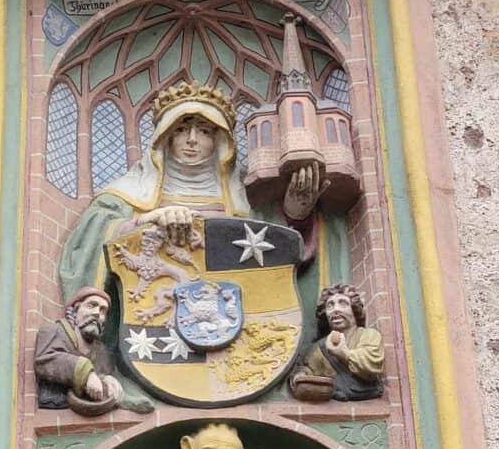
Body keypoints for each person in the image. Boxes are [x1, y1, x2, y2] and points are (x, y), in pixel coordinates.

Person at [58, 81, 326, 302]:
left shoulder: (247, 198)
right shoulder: (125, 195)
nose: (192, 140)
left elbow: (280, 253)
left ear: (220, 141)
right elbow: (87, 247)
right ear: (166, 137)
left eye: (205, 131)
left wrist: (296, 213)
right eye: (182, 129)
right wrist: (145, 221)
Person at [289, 283, 384, 402]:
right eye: (330, 306)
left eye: (343, 304)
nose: (336, 310)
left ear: (354, 310)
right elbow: (307, 368)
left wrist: (344, 354)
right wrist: (300, 376)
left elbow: (372, 363)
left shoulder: (369, 335)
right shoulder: (319, 347)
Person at [33, 287, 123, 410]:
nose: (97, 313)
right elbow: (44, 360)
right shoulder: (53, 331)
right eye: (91, 306)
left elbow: (101, 375)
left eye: (103, 311)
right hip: (55, 404)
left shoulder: (102, 351)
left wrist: (107, 380)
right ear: (76, 309)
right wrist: (86, 374)